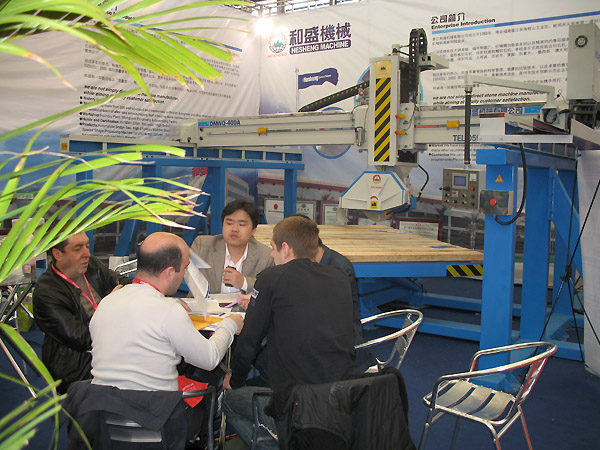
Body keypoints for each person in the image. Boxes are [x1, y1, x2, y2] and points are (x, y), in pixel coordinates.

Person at [222, 216, 357, 448]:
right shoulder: (339, 277)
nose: (271, 254)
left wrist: (235, 379)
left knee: (230, 402)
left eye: (273, 248)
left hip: (295, 405)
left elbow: (250, 341)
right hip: (341, 400)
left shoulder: (270, 278)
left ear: (285, 249)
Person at [89, 232, 244, 391]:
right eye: (184, 268)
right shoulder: (168, 310)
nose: (184, 275)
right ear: (169, 273)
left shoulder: (106, 302)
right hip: (153, 404)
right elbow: (209, 359)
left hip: (100, 402)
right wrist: (230, 324)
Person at [32, 232, 131, 394]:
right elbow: (82, 338)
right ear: (58, 254)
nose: (87, 254)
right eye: (78, 249)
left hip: (111, 345)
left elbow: (122, 282)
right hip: (77, 365)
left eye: (87, 246)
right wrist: (110, 305)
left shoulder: (91, 265)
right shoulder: (47, 292)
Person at [190, 199, 273, 295]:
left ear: (253, 230)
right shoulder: (202, 246)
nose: (234, 229)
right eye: (229, 223)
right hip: (206, 304)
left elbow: (269, 291)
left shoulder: (266, 257)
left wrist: (244, 283)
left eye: (241, 224)